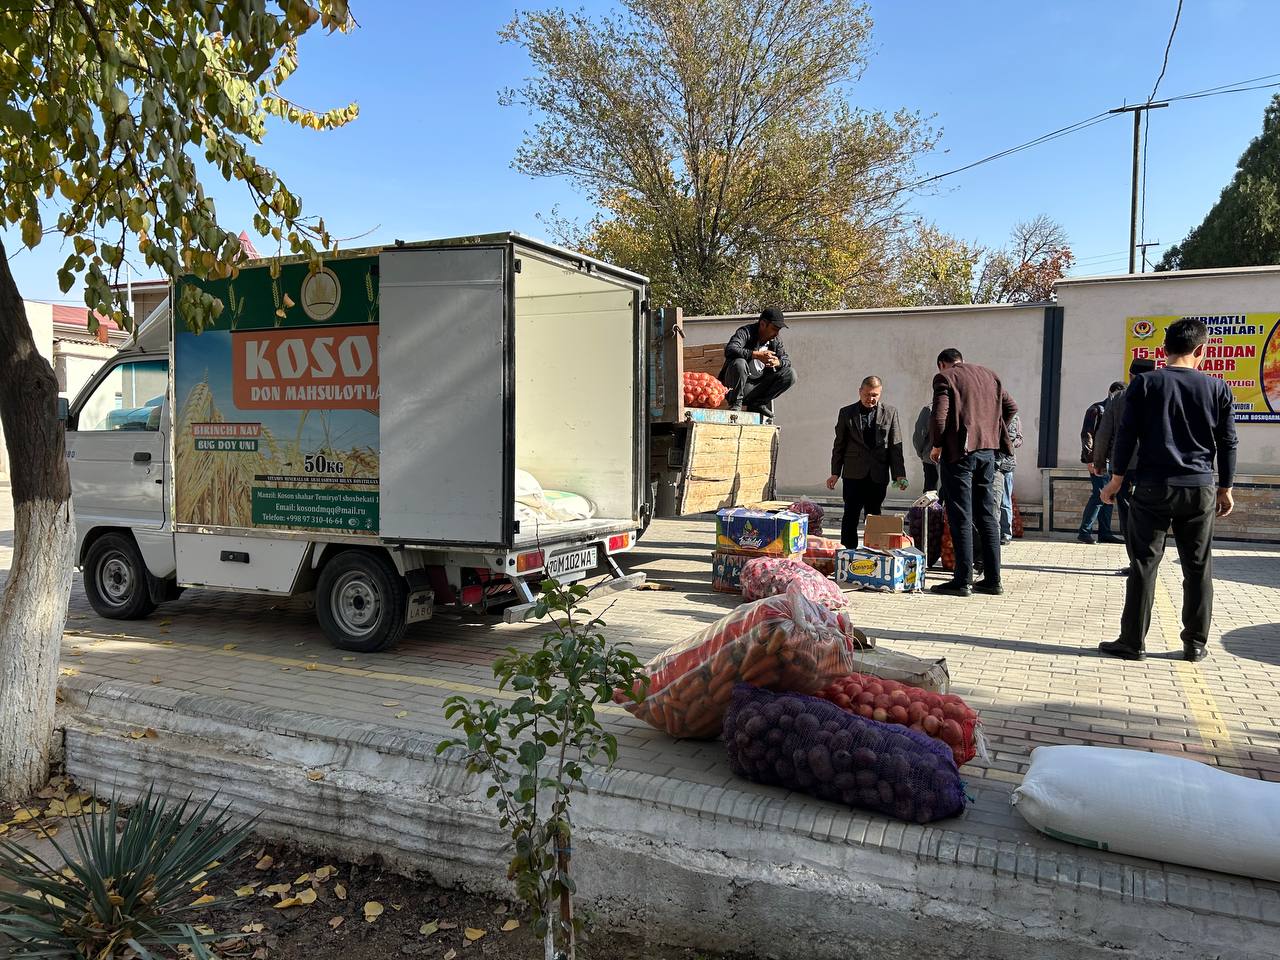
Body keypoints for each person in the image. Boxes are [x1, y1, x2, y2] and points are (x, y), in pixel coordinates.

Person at [1097, 319, 1237, 663]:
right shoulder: (1218, 388)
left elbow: (1127, 436)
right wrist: (1226, 487)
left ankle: (1132, 642)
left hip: (1152, 487)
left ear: (1164, 350)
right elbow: (1228, 441)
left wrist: (1116, 479)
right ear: (1201, 350)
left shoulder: (1145, 384)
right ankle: (1195, 644)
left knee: (1144, 564)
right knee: (1198, 567)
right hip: (1199, 488)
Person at [928, 348, 1016, 597]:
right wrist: (990, 431)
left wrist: (937, 445)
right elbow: (1011, 407)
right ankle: (993, 579)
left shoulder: (945, 377)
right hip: (988, 453)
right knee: (987, 516)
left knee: (961, 517)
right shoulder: (989, 375)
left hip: (959, 454)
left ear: (942, 364)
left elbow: (939, 417)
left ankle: (962, 580)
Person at [1092, 359, 1158, 574]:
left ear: (1130, 375)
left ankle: (1135, 563)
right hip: (1154, 467)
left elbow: (1104, 433)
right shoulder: (1162, 394)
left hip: (1124, 467)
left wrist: (1099, 462)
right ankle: (1149, 563)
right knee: (1152, 516)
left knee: (1128, 515)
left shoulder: (1118, 398)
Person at [826, 376, 908, 547]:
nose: (870, 399)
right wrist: (835, 473)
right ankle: (848, 552)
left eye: (875, 395)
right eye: (867, 394)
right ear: (860, 392)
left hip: (878, 474)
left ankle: (872, 551)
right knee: (850, 514)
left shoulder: (890, 412)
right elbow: (839, 445)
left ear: (880, 393)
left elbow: (895, 446)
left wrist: (899, 475)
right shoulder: (846, 413)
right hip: (853, 473)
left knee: (874, 516)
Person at [718, 306, 797, 418]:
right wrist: (755, 355)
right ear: (763, 324)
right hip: (735, 388)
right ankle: (736, 404)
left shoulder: (776, 341)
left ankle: (758, 404)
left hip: (757, 389)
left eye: (779, 330)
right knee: (739, 363)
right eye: (774, 329)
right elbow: (730, 349)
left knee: (791, 374)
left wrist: (778, 362)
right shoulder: (745, 332)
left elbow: (786, 361)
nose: (776, 333)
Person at [1077, 384, 1126, 545]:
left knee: (1109, 495)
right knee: (1099, 494)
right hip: (1099, 460)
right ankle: (1085, 531)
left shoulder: (1120, 410)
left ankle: (1105, 532)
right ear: (1110, 393)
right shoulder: (1097, 409)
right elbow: (1087, 435)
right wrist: (1090, 459)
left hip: (1112, 461)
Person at [995, 412, 1023, 544]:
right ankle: (998, 532)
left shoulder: (1012, 416)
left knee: (1004, 500)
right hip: (997, 463)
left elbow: (1015, 438)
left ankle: (1005, 533)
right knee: (997, 500)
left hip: (1005, 464)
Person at [912, 404, 939, 493]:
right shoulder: (960, 405)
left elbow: (919, 435)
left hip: (931, 458)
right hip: (934, 459)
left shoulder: (929, 409)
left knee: (930, 492)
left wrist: (921, 453)